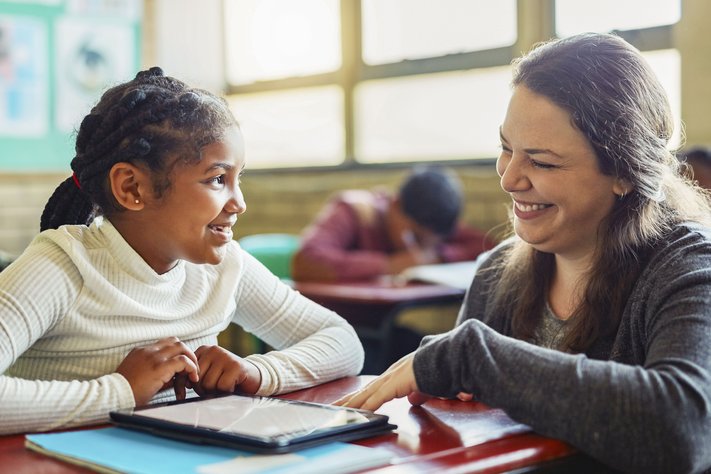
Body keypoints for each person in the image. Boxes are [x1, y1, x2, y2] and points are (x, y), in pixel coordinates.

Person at [336, 33, 711, 474]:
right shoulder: (496, 273)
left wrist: (475, 358)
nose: (510, 178)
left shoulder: (689, 267)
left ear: (624, 175)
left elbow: (685, 430)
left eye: (543, 162)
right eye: (506, 149)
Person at [0, 67, 364, 435]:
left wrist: (257, 372)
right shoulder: (61, 266)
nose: (239, 203)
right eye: (217, 179)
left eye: (239, 179)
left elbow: (343, 341)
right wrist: (118, 392)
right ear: (132, 187)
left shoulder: (223, 267)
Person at [292, 165, 495, 282]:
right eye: (414, 237)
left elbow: (490, 247)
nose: (418, 250)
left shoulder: (434, 219)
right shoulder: (354, 210)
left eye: (430, 244)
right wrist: (390, 265)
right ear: (395, 205)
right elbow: (306, 261)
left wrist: (438, 255)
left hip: (382, 324)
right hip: (340, 326)